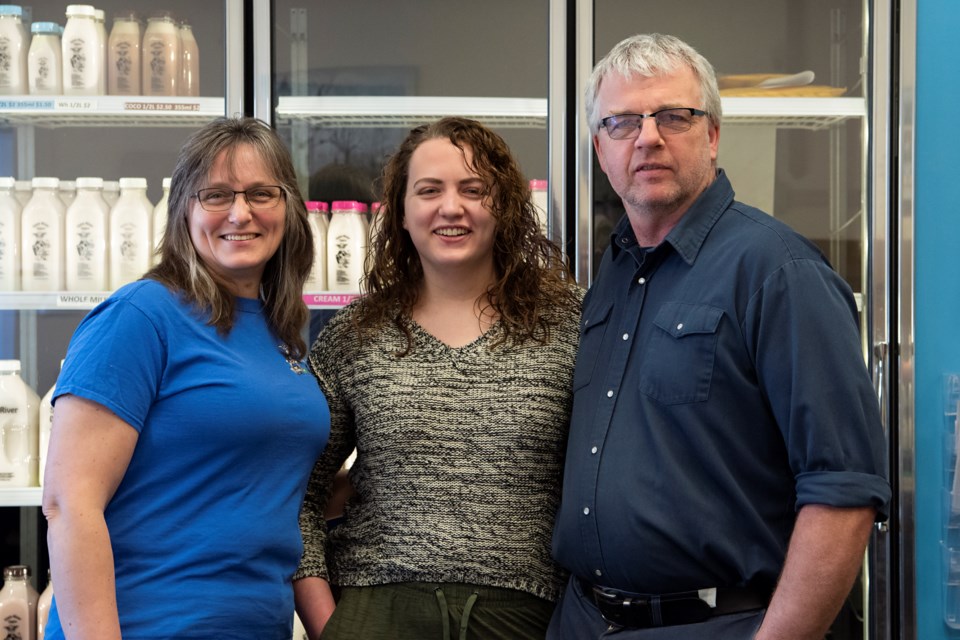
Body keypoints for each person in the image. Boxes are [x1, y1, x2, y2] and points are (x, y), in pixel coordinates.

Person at [548, 33, 891, 640]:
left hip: (725, 623)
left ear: (712, 135)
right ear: (600, 149)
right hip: (584, 621)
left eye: (673, 117)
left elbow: (843, 494)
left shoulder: (780, 272)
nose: (647, 137)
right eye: (622, 122)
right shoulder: (612, 276)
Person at [41, 116, 330, 640]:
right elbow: (69, 502)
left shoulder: (280, 332)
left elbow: (263, 483)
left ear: (287, 208)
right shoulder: (141, 315)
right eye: (216, 195)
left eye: (261, 193)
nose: (241, 213)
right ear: (184, 211)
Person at [294, 116, 582, 639]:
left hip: (527, 617)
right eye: (429, 190)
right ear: (401, 212)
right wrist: (328, 626)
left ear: (505, 206)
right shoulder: (355, 335)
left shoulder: (569, 324)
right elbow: (299, 495)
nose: (452, 208)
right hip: (375, 611)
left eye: (474, 190)